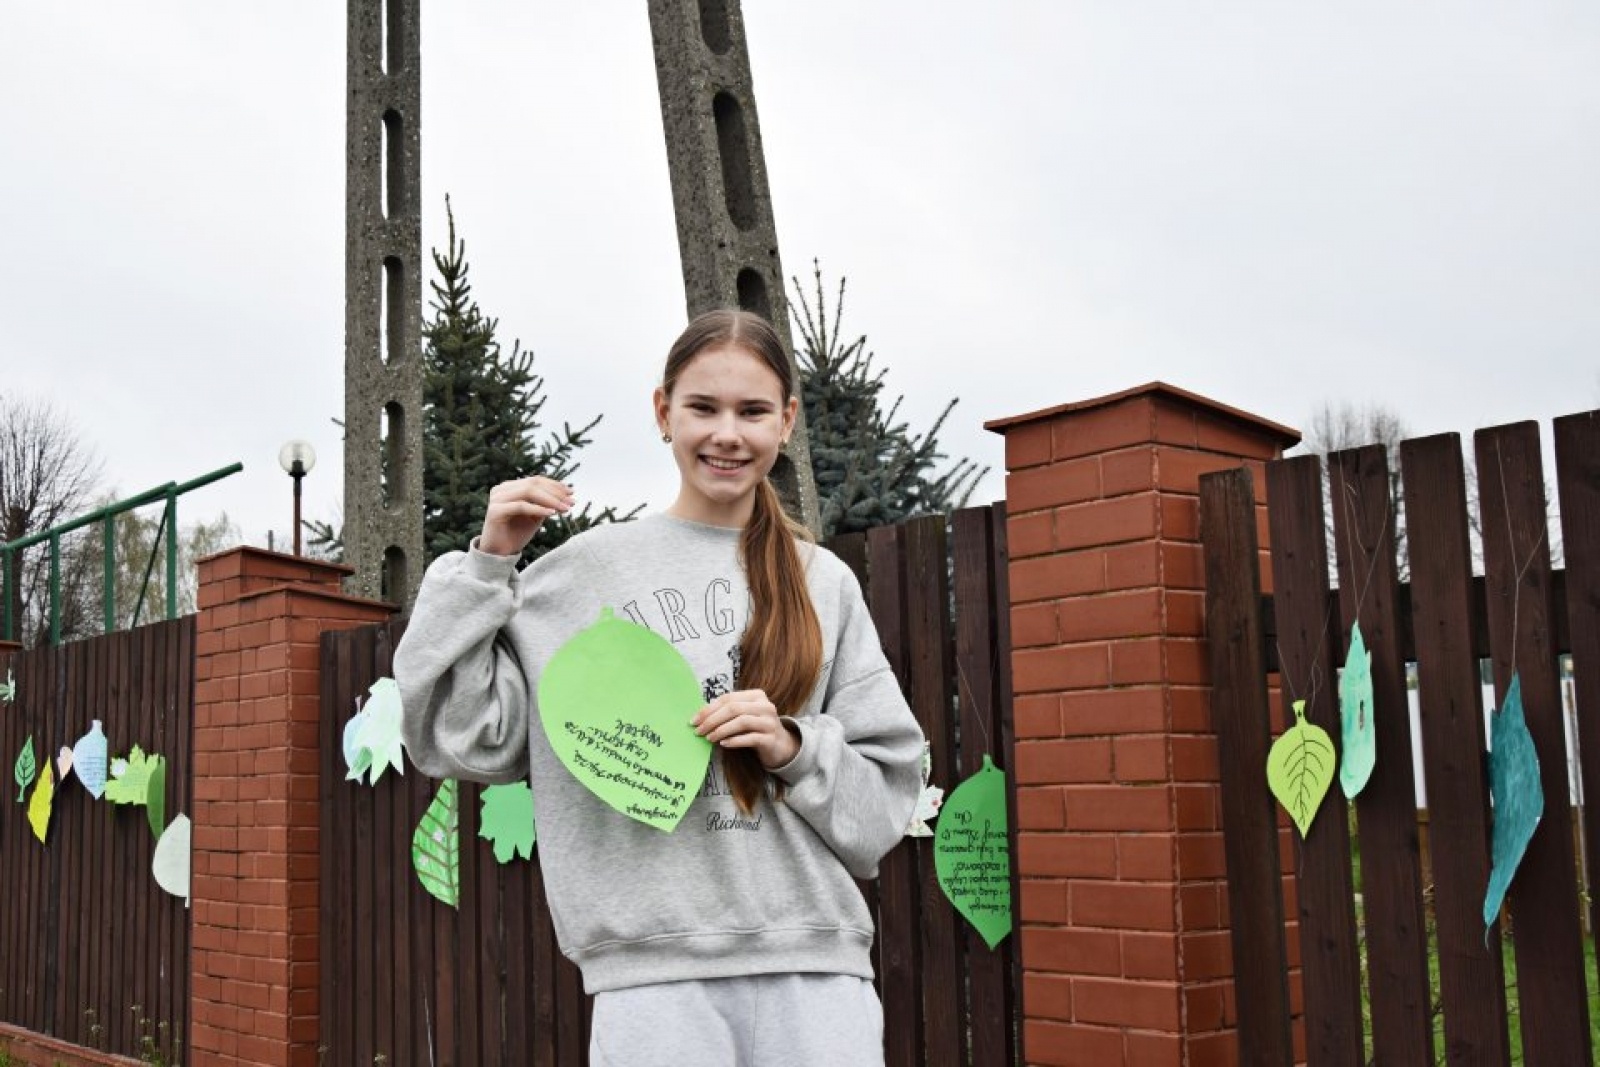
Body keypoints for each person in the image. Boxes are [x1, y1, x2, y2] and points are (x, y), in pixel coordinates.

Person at [395, 308, 926, 1067]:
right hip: (650, 980)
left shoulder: (822, 583)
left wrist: (794, 745)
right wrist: (485, 565)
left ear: (787, 421)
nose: (727, 434)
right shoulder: (582, 576)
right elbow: (456, 733)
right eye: (703, 407)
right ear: (662, 412)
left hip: (817, 973)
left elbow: (882, 808)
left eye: (751, 411)